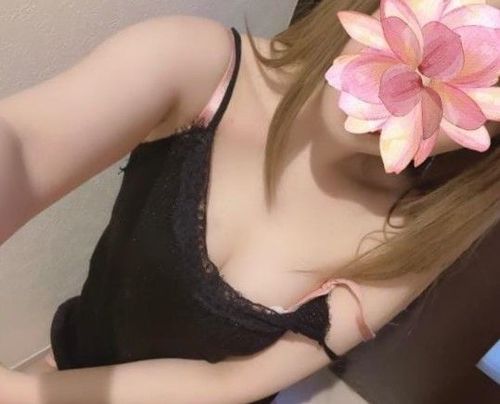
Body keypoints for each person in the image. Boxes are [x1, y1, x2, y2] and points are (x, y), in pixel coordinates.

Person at [0, 1, 499, 403]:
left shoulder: (407, 238)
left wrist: (18, 395)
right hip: (70, 364)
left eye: (486, 79)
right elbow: (24, 143)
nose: (404, 92)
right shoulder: (196, 67)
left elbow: (231, 384)